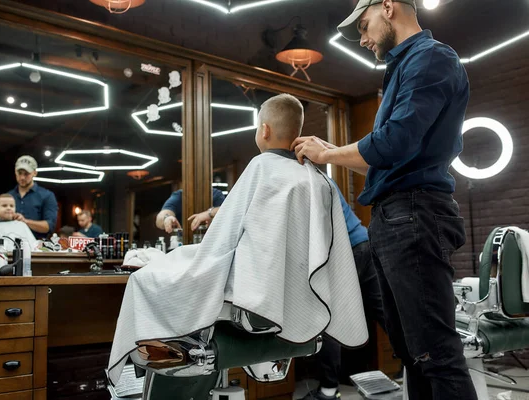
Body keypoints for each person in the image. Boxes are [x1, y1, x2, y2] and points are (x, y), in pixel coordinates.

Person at [107, 94, 369, 385]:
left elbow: (220, 245)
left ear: (264, 130)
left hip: (254, 302)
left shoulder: (261, 167)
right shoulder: (315, 177)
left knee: (143, 281)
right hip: (298, 292)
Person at [292, 1, 476, 399]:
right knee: (413, 355)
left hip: (414, 214)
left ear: (388, 7)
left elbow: (394, 142)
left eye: (363, 25)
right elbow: (387, 163)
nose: (362, 39)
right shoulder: (404, 69)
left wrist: (328, 154)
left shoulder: (429, 59)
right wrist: (332, 151)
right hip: (397, 216)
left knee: (435, 355)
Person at [300, 186, 385, 400]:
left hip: (346, 250)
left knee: (328, 318)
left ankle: (328, 392)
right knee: (383, 311)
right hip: (364, 242)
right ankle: (421, 364)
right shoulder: (321, 178)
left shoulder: (299, 180)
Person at [8, 155, 58, 239]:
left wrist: (25, 221)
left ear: (35, 173)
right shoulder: (8, 197)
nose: (22, 177)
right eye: (19, 173)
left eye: (26, 174)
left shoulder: (47, 196)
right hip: (9, 246)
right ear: (15, 172)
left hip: (36, 248)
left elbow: (49, 226)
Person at [156, 188, 226, 233]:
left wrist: (210, 213)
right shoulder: (178, 196)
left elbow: (228, 211)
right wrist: (167, 218)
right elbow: (160, 219)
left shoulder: (216, 195)